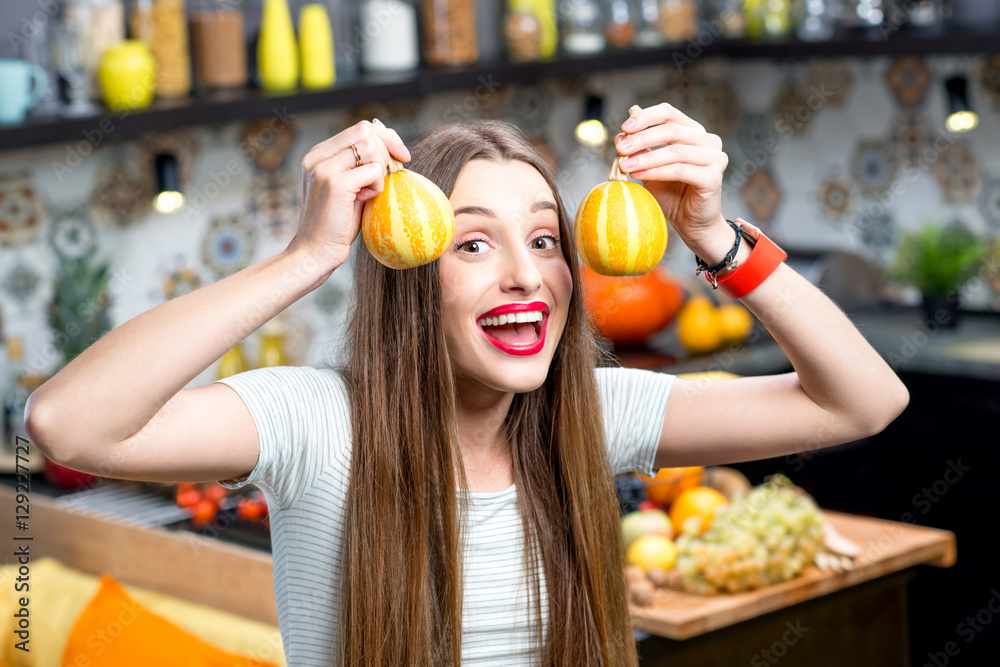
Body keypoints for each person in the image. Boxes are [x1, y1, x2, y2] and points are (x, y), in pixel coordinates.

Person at [26, 104, 909, 667]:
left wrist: (716, 235)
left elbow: (863, 400)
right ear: (411, 269)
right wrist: (306, 257)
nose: (526, 276)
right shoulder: (317, 422)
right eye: (475, 244)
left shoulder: (595, 413)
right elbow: (69, 425)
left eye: (545, 239)